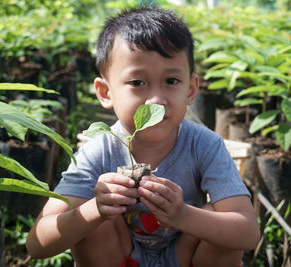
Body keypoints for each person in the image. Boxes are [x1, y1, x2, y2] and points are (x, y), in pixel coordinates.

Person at [26, 6, 260, 267]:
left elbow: (248, 234)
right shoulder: (99, 151)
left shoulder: (204, 145)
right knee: (93, 223)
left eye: (171, 81)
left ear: (191, 90)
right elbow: (37, 244)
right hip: (119, 256)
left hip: (185, 256)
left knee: (221, 222)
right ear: (105, 92)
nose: (156, 100)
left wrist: (182, 215)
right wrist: (95, 209)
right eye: (137, 83)